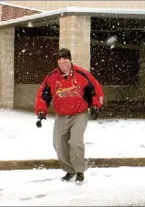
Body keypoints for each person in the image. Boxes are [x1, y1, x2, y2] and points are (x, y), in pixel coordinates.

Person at [35, 48, 104, 183]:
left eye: (64, 59)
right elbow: (43, 95)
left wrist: (96, 106)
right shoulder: (52, 77)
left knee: (75, 142)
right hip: (61, 115)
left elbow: (97, 90)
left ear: (70, 59)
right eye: (59, 60)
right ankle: (69, 170)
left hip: (79, 113)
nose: (62, 62)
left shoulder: (82, 74)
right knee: (59, 144)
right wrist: (41, 111)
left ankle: (79, 171)